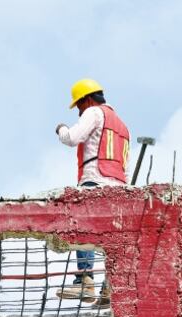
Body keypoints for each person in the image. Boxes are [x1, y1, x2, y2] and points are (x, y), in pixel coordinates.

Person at [54, 78, 130, 304]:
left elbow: (72, 138)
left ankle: (85, 281)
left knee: (83, 228)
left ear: (87, 99)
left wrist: (61, 128)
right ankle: (111, 287)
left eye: (79, 104)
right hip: (119, 187)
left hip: (94, 180)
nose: (79, 111)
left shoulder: (94, 113)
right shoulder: (122, 126)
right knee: (112, 238)